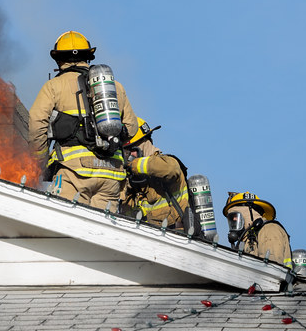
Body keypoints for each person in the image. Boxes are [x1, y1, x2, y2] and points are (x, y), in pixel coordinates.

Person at [28, 30, 138, 209]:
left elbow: (36, 122)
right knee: (100, 225)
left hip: (73, 172)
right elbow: (131, 128)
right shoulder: (115, 87)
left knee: (68, 221)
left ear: (58, 59)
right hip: (111, 174)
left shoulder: (54, 86)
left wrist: (39, 160)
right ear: (88, 56)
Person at [118, 118, 194, 232]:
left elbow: (171, 169)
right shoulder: (132, 179)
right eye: (125, 152)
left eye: (129, 150)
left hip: (176, 235)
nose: (128, 156)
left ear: (143, 144)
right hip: (147, 236)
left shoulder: (166, 162)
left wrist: (134, 164)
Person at [222, 191, 292, 268]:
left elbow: (270, 270)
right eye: (231, 218)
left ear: (249, 213)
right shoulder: (245, 241)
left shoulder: (269, 230)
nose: (234, 220)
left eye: (235, 216)